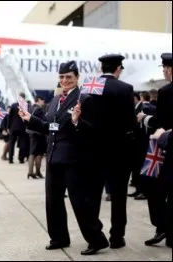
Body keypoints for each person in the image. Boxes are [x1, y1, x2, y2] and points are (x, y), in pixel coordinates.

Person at [19, 61, 109, 255]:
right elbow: (51, 127)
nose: (64, 80)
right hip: (53, 158)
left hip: (74, 160)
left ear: (77, 77)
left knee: (79, 202)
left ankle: (96, 239)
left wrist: (77, 122)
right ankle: (59, 237)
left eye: (68, 77)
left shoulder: (84, 99)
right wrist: (30, 119)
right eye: (61, 77)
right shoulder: (55, 101)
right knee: (53, 201)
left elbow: (93, 130)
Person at [89, 54, 137, 249]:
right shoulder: (125, 88)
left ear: (102, 69)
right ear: (118, 69)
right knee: (119, 197)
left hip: (94, 150)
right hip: (119, 151)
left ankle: (94, 234)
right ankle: (117, 236)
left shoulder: (91, 86)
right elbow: (130, 122)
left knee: (93, 195)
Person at [137, 53, 173, 247]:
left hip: (166, 148)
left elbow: (160, 121)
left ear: (169, 69)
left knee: (155, 190)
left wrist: (144, 118)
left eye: (164, 68)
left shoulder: (167, 91)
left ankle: (163, 227)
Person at [26, 95, 46, 179]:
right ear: (38, 100)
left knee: (32, 152)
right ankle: (37, 172)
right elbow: (44, 120)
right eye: (42, 101)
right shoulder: (39, 110)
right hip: (39, 133)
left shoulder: (29, 108)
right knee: (39, 153)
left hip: (30, 133)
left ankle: (30, 172)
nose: (43, 103)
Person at [8, 93, 29, 164]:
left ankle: (10, 159)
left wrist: (8, 127)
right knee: (22, 144)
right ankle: (21, 159)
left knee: (11, 143)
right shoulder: (26, 106)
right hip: (22, 128)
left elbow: (10, 117)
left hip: (13, 127)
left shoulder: (13, 105)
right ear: (24, 97)